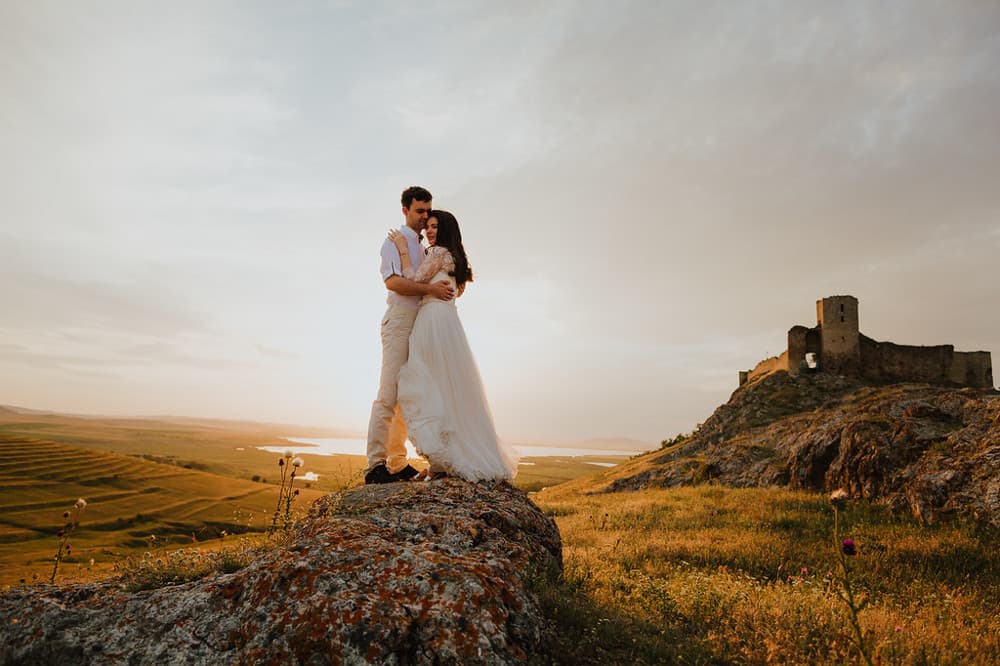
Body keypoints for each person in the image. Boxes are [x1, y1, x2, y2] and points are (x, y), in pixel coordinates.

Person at [388, 210, 518, 481]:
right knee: (446, 387)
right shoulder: (456, 259)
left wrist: (402, 249)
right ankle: (442, 461)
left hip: (432, 321)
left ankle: (441, 459)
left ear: (446, 229)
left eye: (434, 227)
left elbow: (412, 279)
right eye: (428, 227)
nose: (429, 231)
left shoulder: (438, 253)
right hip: (448, 323)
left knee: (428, 382)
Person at [365, 187, 454, 485]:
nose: (425, 216)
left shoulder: (427, 248)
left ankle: (397, 461)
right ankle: (375, 465)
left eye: (428, 211)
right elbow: (393, 282)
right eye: (419, 211)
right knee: (388, 395)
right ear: (405, 210)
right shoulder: (394, 242)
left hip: (421, 325)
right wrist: (430, 290)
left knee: (408, 394)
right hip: (400, 321)